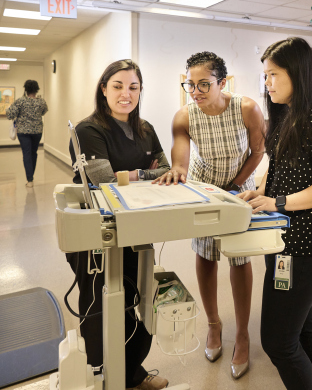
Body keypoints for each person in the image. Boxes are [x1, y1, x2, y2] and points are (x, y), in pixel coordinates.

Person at [239, 37, 312, 390]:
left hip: (307, 245)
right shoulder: (287, 112)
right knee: (304, 325)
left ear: (297, 74)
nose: (267, 83)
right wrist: (262, 191)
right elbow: (278, 164)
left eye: (273, 75)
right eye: (265, 76)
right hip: (284, 238)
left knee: (278, 341)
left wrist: (279, 202)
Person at [154, 51, 265, 379]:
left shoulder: (246, 108)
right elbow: (181, 160)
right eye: (191, 85)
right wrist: (177, 172)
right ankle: (214, 325)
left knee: (239, 257)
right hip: (204, 187)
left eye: (205, 84)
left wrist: (233, 186)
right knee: (205, 254)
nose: (197, 91)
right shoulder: (184, 116)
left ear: (222, 82)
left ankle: (242, 335)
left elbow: (258, 151)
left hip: (239, 185)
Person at [66, 59, 171, 390]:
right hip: (98, 232)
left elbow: (166, 170)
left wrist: (130, 175)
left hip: (136, 227)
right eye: (118, 86)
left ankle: (130, 374)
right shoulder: (88, 130)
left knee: (133, 299)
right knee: (101, 303)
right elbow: (102, 181)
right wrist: (142, 173)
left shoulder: (146, 129)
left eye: (133, 87)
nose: (126, 94)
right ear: (103, 88)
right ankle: (102, 375)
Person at [6, 80, 48, 187]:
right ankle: (31, 176)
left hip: (23, 132)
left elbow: (10, 114)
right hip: (37, 131)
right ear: (37, 89)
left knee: (26, 154)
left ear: (25, 89)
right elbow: (44, 112)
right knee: (34, 153)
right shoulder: (41, 101)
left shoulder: (20, 101)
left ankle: (30, 180)